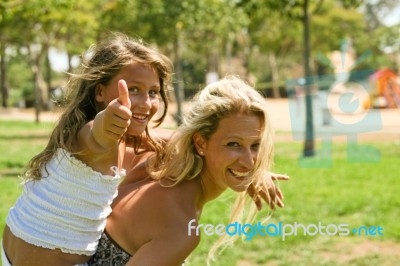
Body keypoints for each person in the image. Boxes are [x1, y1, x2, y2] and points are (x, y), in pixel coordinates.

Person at [1, 33, 173, 266]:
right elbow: (98, 135)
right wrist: (109, 121)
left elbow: (175, 137)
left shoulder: (122, 136)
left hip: (15, 248)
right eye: (133, 89)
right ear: (99, 92)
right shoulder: (90, 134)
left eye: (153, 92)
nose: (145, 102)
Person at [88, 76, 281, 266]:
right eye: (233, 144)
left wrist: (253, 174)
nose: (248, 162)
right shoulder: (181, 228)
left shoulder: (160, 157)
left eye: (256, 145)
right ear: (200, 143)